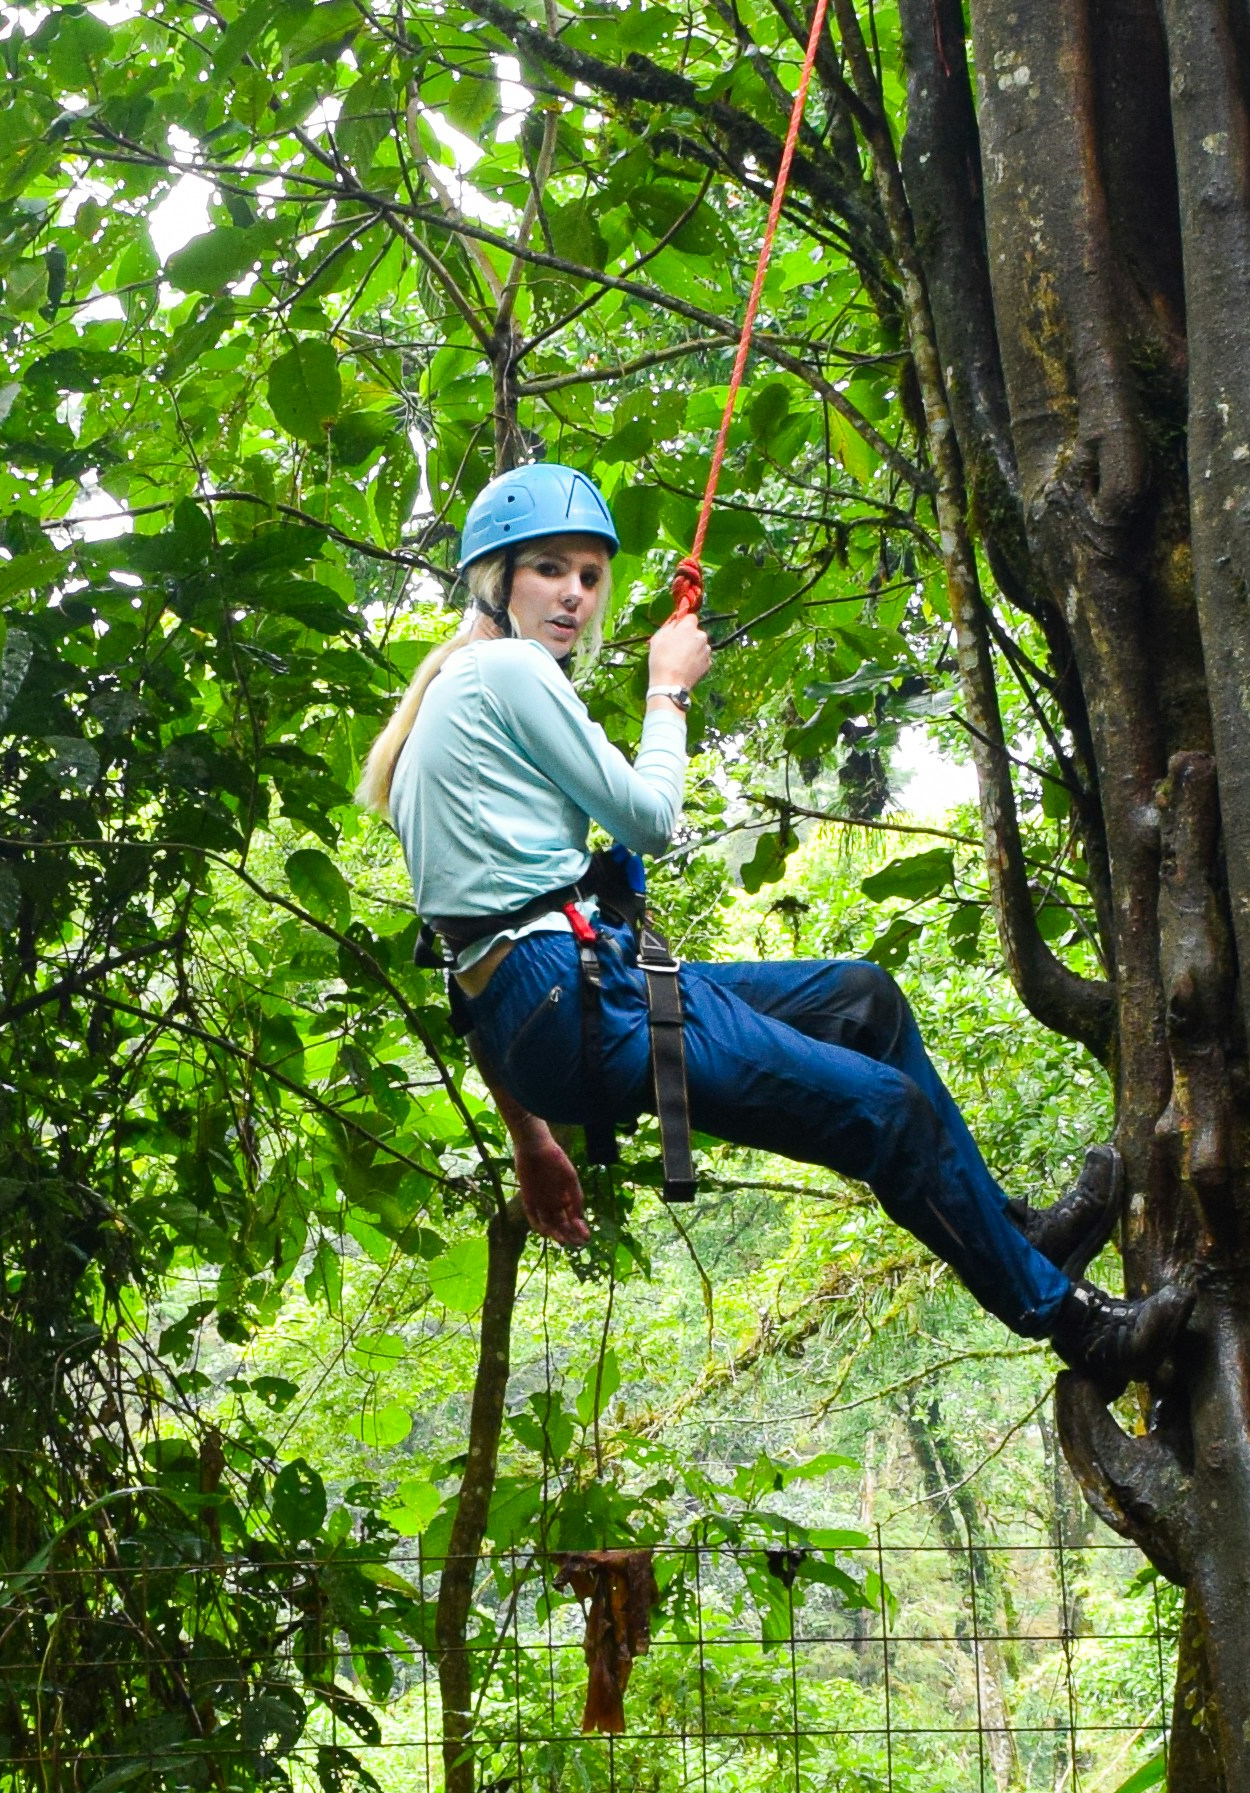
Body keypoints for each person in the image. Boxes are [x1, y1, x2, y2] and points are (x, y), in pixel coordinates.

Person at [365, 460, 1180, 1383]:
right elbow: (650, 819)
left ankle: (1015, 1229)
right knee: (885, 1113)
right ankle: (1078, 1326)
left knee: (860, 1002)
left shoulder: (445, 706)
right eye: (549, 569)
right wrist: (667, 691)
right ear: (495, 575)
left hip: (555, 1007)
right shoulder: (504, 669)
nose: (575, 597)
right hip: (578, 997)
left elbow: (466, 972)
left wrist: (531, 1136)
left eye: (590, 576)